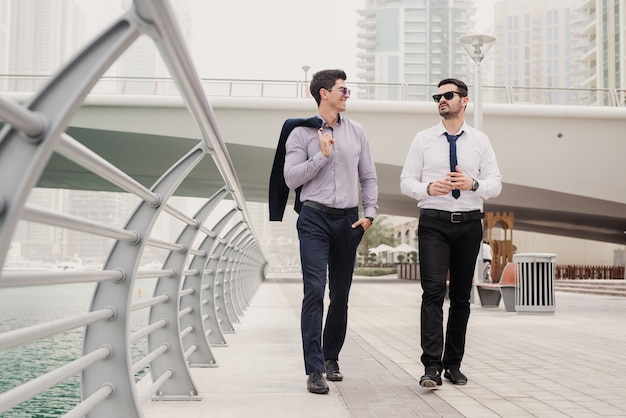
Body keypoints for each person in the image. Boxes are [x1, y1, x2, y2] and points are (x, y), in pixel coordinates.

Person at [400, 78, 502, 388]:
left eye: (448, 95)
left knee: (461, 298)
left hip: (469, 223)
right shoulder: (423, 139)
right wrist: (427, 188)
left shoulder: (480, 141)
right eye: (438, 96)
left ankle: (452, 365)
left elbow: (496, 184)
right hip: (433, 222)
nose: (441, 100)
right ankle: (431, 366)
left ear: (464, 101)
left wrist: (473, 184)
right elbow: (406, 181)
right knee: (432, 293)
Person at [283, 69, 378, 394]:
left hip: (349, 221)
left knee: (341, 295)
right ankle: (314, 368)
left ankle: (331, 357)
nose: (347, 94)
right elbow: (291, 178)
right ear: (324, 93)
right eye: (343, 89)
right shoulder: (300, 134)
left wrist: (370, 216)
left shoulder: (357, 132)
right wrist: (321, 157)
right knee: (314, 291)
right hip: (314, 218)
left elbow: (368, 176)